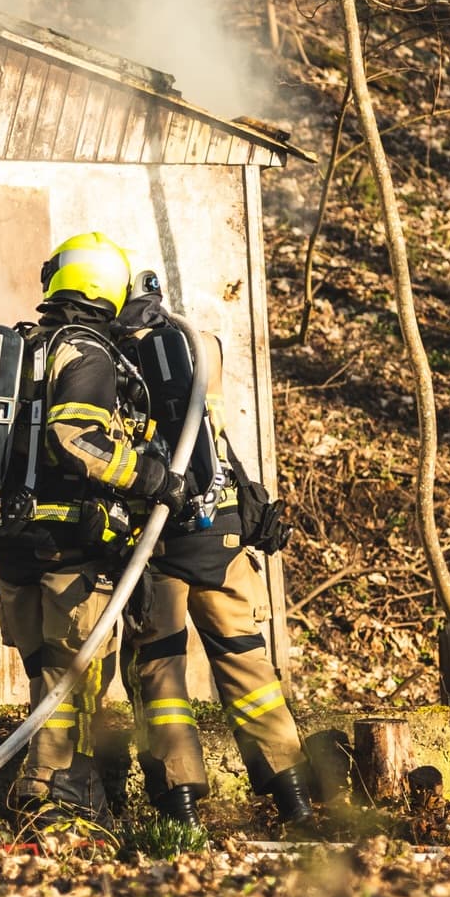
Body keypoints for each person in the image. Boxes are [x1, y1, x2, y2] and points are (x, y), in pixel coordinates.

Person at [0, 232, 185, 821]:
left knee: (45, 672)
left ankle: (51, 786)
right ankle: (55, 795)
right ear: (109, 286)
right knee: (72, 676)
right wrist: (151, 479)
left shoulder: (21, 348)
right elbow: (75, 439)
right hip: (71, 546)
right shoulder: (87, 352)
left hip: (14, 540)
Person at [114, 270, 312, 832]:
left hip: (160, 538)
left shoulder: (113, 359)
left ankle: (181, 810)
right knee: (248, 662)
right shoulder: (201, 348)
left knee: (161, 675)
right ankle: (292, 797)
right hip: (222, 532)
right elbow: (217, 442)